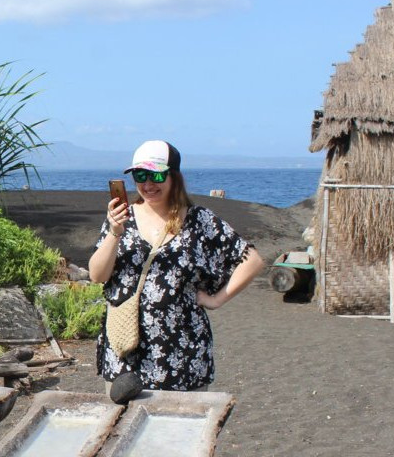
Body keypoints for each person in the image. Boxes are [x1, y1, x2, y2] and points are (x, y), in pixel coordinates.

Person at [88, 140, 265, 392]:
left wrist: (216, 300)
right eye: (140, 175)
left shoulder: (199, 220)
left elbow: (252, 260)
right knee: (122, 418)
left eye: (157, 175)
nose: (148, 184)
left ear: (174, 176)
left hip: (183, 355)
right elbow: (97, 275)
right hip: (126, 352)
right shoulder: (122, 218)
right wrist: (115, 232)